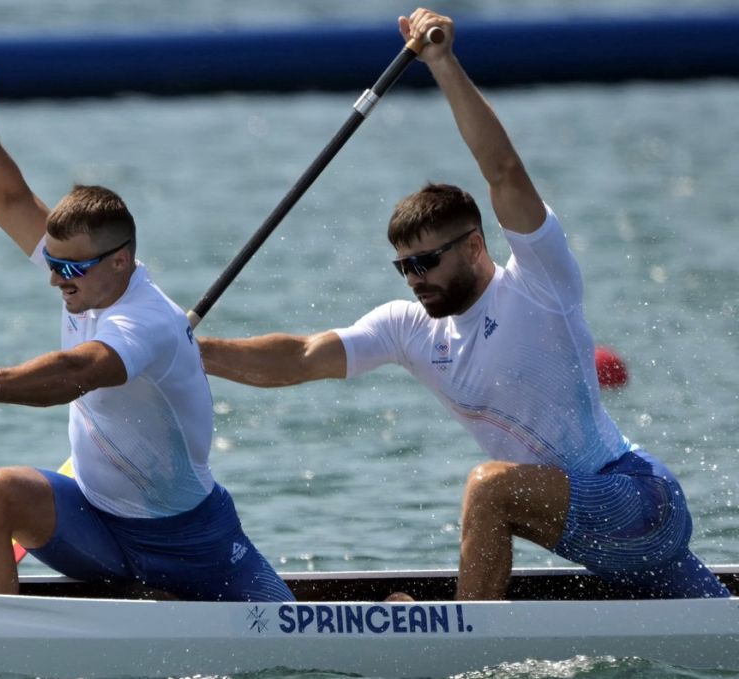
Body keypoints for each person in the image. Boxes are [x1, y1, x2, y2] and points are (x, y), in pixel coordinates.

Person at [198, 9, 730, 600]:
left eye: (427, 261)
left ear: (476, 246)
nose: (414, 279)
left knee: (488, 488)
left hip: (636, 500)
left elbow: (503, 170)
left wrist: (442, 64)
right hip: (589, 530)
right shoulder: (409, 329)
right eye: (404, 266)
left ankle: (466, 634)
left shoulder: (538, 283)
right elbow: (301, 356)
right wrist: (193, 353)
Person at [0, 59, 294, 603]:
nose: (54, 277)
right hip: (99, 522)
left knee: (292, 632)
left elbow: (79, 371)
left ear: (120, 261)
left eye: (69, 268)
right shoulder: (84, 275)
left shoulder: (147, 321)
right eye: (53, 262)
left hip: (188, 541)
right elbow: (7, 198)